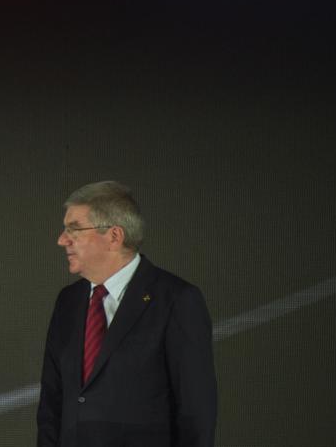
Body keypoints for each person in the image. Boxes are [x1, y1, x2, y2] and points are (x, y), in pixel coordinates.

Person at [37, 181, 217, 447]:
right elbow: (52, 403)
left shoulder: (176, 300)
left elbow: (196, 412)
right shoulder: (68, 301)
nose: (62, 240)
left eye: (73, 229)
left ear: (114, 236)